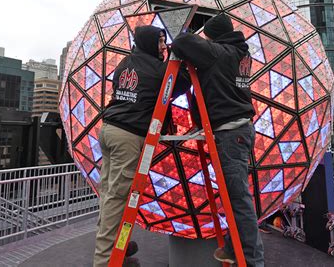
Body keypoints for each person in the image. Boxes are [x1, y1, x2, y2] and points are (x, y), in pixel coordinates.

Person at [171, 13, 264, 267]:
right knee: (235, 197)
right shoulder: (241, 54)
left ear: (215, 37)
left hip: (230, 133)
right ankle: (236, 250)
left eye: (208, 36)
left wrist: (189, 30)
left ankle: (253, 261)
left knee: (238, 200)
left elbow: (181, 42)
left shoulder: (218, 52)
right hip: (240, 131)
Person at [94, 25, 189, 267]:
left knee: (108, 195)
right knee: (117, 199)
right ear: (148, 42)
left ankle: (117, 245)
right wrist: (181, 52)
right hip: (128, 136)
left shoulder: (125, 63)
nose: (163, 47)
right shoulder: (159, 70)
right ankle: (106, 261)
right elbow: (182, 83)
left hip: (108, 131)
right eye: (159, 42)